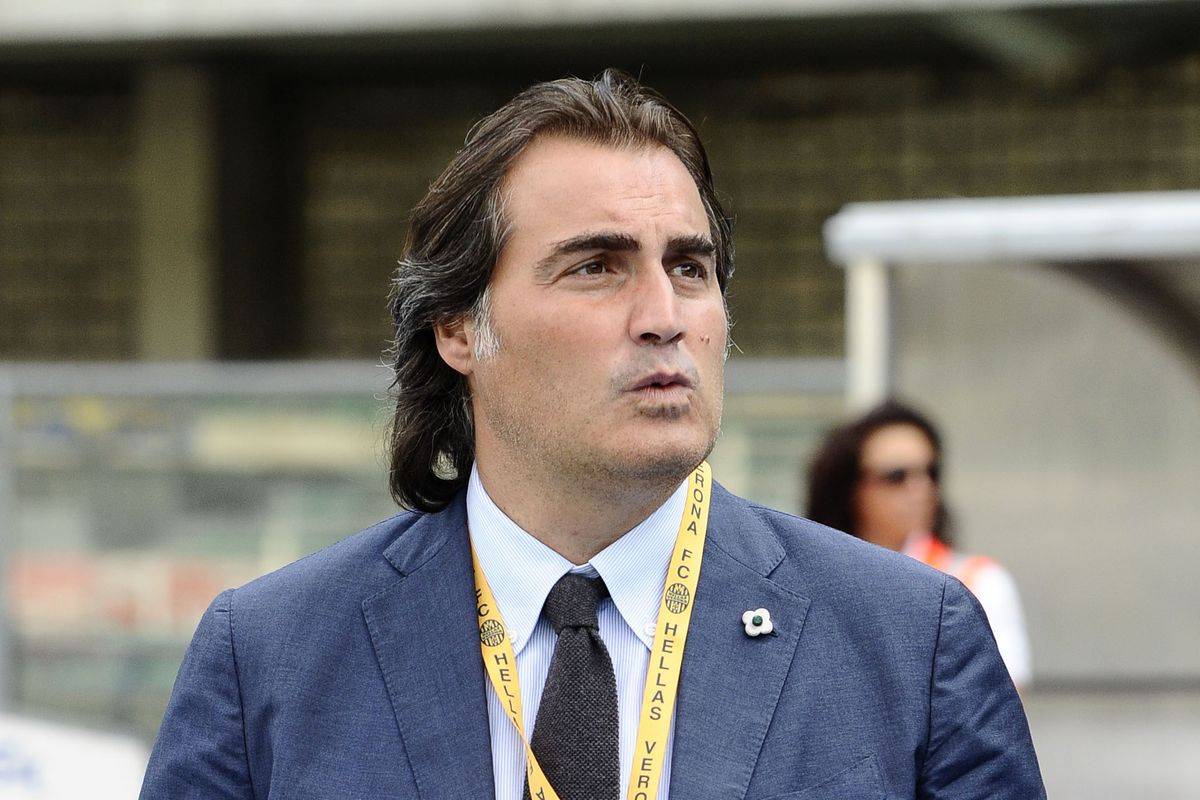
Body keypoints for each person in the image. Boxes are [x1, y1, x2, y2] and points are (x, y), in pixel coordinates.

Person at [141, 70, 1044, 799]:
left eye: (689, 267)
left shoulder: (908, 642)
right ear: (458, 327)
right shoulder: (271, 658)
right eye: (597, 267)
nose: (664, 316)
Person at [805, 400, 1033, 689]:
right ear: (849, 489)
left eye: (931, 472)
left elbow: (1002, 703)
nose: (920, 488)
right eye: (896, 476)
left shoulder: (978, 581)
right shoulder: (812, 581)